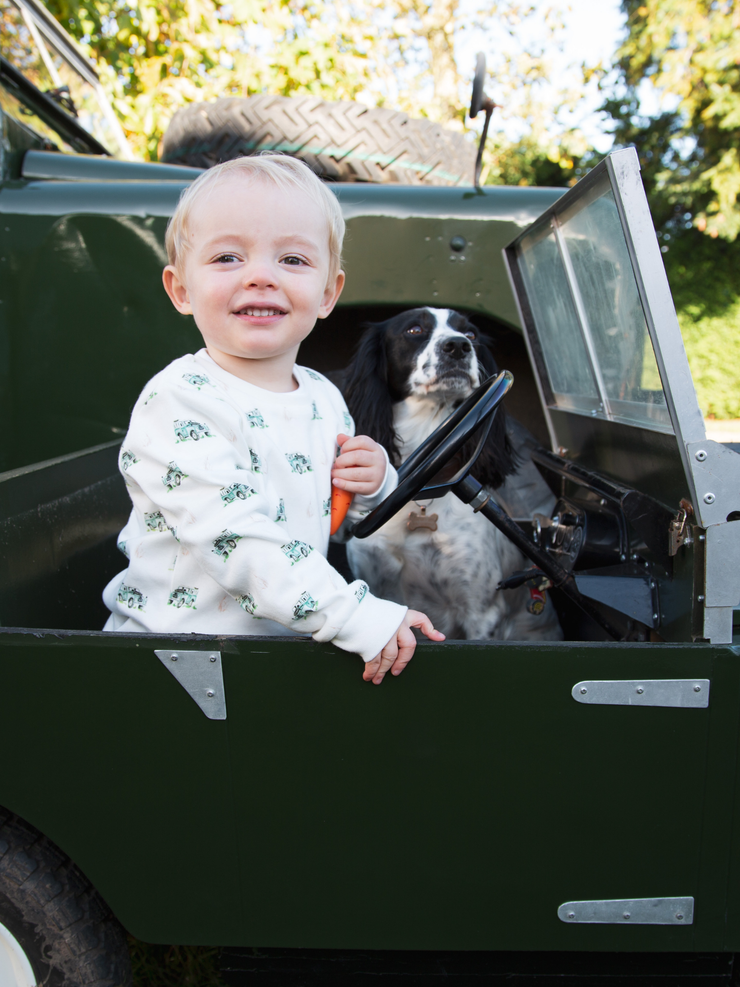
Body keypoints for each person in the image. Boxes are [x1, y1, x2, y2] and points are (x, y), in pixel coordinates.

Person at [103, 153, 445, 684]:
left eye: (292, 260)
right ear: (181, 290)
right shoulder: (180, 400)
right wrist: (355, 613)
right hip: (173, 662)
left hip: (277, 653)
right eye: (227, 259)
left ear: (328, 292)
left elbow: (343, 516)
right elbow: (235, 537)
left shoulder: (321, 397)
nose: (261, 276)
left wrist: (376, 482)